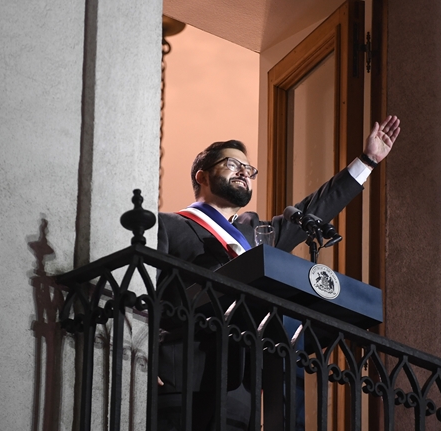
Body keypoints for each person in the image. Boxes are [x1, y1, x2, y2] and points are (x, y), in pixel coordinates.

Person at [155, 115, 401, 431]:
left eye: (249, 169)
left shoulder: (256, 234)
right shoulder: (170, 226)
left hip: (240, 392)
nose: (244, 172)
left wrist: (366, 161)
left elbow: (316, 207)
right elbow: (143, 293)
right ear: (201, 176)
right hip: (181, 379)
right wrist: (142, 359)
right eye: (232, 164)